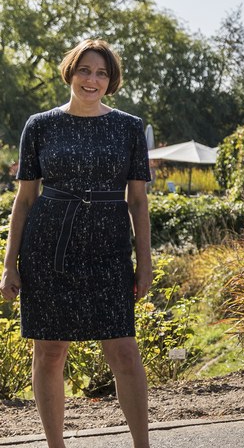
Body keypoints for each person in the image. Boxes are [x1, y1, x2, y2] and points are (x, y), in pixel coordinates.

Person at [0, 39, 152, 448]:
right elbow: (26, 198)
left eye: (101, 73)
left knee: (123, 349)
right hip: (49, 245)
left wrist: (145, 261)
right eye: (85, 70)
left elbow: (137, 200)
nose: (92, 79)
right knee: (50, 350)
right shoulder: (40, 125)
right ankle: (55, 446)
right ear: (71, 72)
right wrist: (9, 264)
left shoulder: (129, 127)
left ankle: (143, 446)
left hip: (109, 246)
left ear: (111, 80)